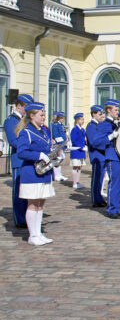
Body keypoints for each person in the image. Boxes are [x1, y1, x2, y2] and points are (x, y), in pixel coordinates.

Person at [15, 102, 56, 246]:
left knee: (40, 204)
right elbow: (21, 152)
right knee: (33, 204)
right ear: (32, 116)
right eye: (41, 114)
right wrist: (38, 155)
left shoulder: (43, 131)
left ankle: (38, 233)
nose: (44, 117)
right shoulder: (26, 132)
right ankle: (32, 235)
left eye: (44, 114)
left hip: (44, 172)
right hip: (31, 172)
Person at [93, 99, 120, 219]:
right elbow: (96, 142)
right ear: (109, 110)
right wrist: (110, 136)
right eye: (116, 110)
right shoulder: (104, 124)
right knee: (114, 182)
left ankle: (117, 207)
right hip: (112, 156)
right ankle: (112, 209)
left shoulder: (115, 123)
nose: (117, 112)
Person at [3, 93, 34, 228]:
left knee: (27, 191)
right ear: (19, 106)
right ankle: (19, 219)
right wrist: (29, 147)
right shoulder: (11, 120)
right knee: (18, 191)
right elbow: (13, 141)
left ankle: (26, 216)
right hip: (18, 160)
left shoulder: (25, 120)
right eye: (26, 108)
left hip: (27, 159)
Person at [86, 105, 107, 207]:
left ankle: (99, 197)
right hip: (96, 155)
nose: (101, 116)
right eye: (99, 114)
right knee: (96, 179)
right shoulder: (91, 126)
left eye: (102, 114)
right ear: (93, 114)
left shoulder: (98, 125)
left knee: (100, 179)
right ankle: (95, 199)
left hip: (102, 156)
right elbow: (94, 142)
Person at [69, 113, 87, 189]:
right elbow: (74, 140)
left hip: (81, 151)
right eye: (81, 119)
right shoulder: (74, 129)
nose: (83, 121)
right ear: (77, 120)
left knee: (79, 167)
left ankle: (77, 182)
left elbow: (83, 139)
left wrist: (86, 144)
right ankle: (74, 183)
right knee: (75, 167)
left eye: (83, 119)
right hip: (76, 151)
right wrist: (81, 147)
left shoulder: (82, 129)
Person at [50, 112, 69, 182]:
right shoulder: (55, 124)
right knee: (58, 158)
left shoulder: (60, 125)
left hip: (62, 143)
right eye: (62, 118)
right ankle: (56, 175)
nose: (63, 120)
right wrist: (61, 142)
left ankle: (59, 174)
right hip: (58, 144)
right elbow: (56, 134)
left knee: (61, 158)